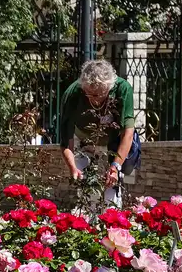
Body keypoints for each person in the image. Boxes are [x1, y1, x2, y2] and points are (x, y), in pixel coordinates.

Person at [58, 59, 140, 208]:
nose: (95, 101)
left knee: (115, 178)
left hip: (115, 137)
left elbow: (127, 132)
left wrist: (115, 167)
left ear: (109, 87)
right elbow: (65, 141)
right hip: (84, 138)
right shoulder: (72, 94)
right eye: (90, 94)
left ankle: (111, 214)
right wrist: (72, 168)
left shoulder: (122, 89)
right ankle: (87, 213)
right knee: (85, 182)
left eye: (99, 95)